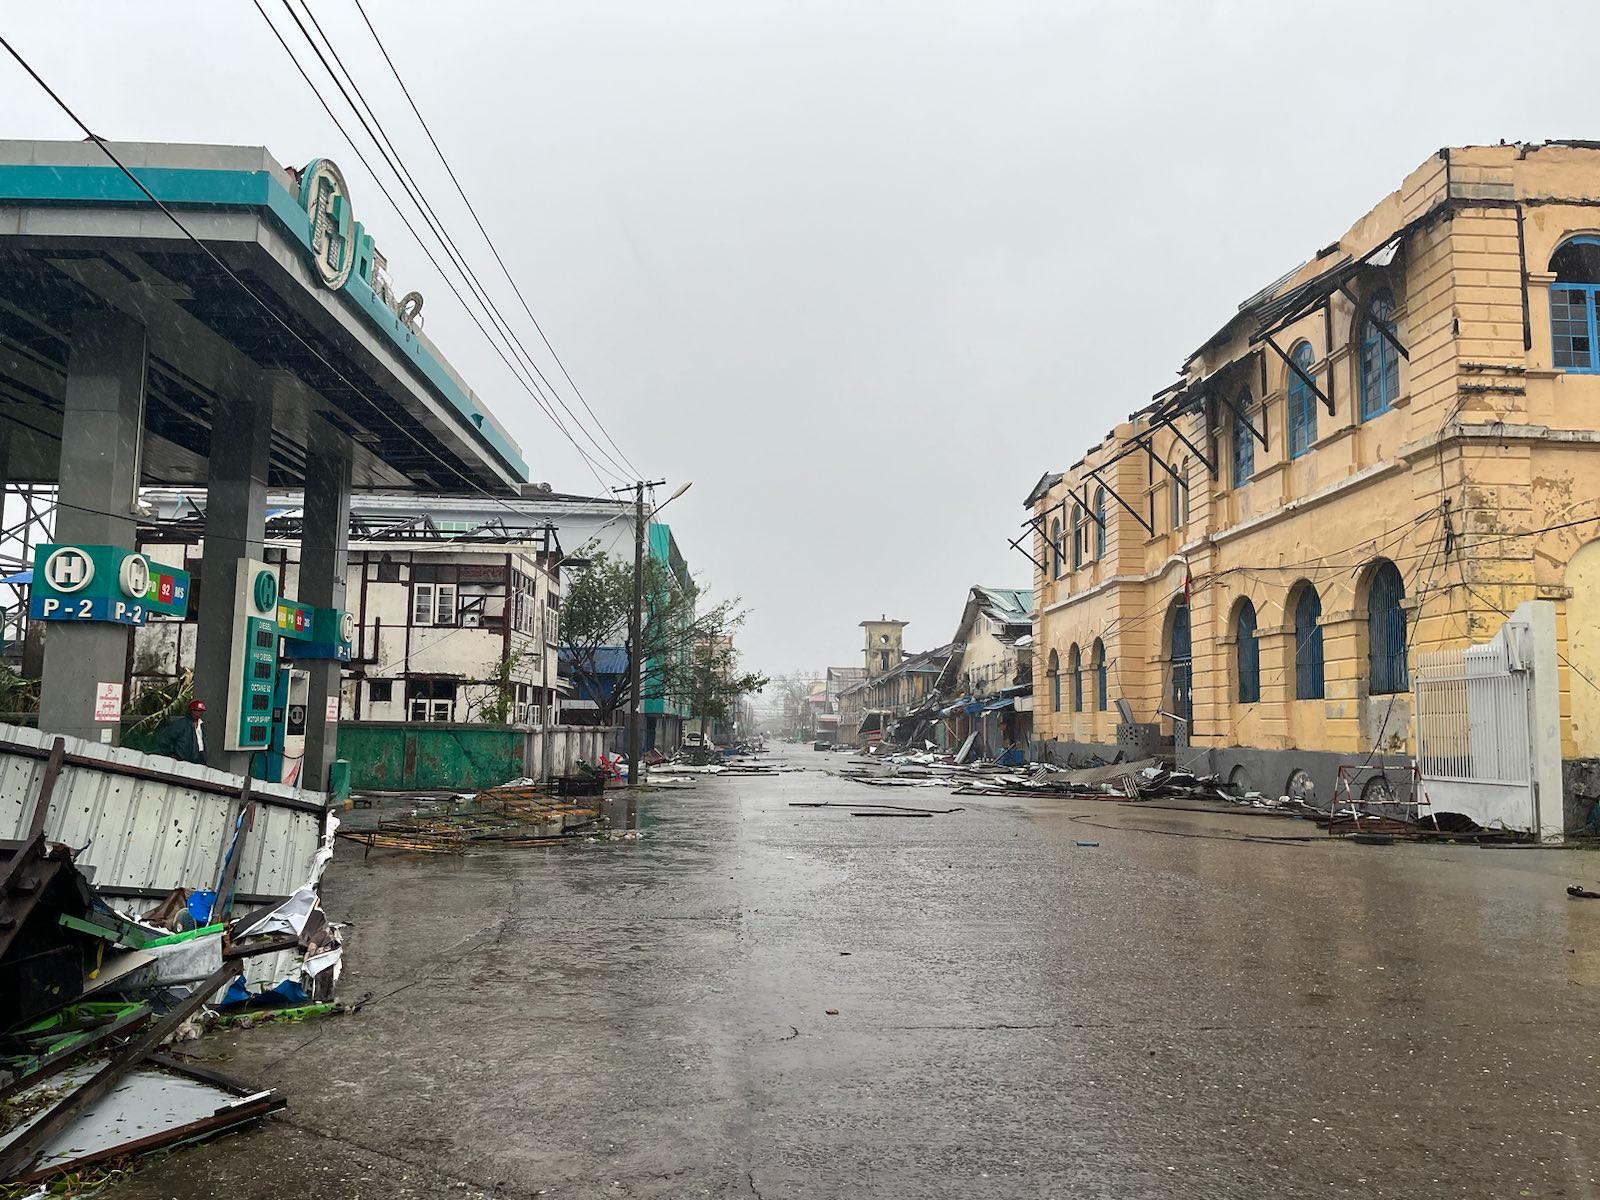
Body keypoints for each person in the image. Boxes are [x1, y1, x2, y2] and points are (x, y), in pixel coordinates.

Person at [155, 699, 208, 765]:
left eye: (201, 711)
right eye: (196, 711)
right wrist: (172, 754)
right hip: (183, 760)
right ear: (191, 711)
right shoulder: (181, 724)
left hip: (199, 759)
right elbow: (165, 739)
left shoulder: (201, 725)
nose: (199, 713)